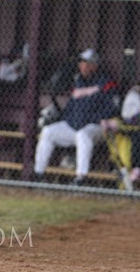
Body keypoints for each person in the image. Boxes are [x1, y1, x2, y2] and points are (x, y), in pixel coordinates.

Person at [33, 48, 119, 185]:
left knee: (83, 135)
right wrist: (66, 119)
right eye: (82, 62)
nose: (82, 66)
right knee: (48, 132)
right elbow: (70, 107)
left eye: (86, 63)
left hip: (95, 127)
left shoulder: (106, 83)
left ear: (94, 66)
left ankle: (80, 178)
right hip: (75, 125)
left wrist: (93, 119)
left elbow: (111, 109)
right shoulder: (78, 81)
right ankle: (38, 173)